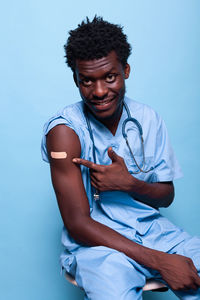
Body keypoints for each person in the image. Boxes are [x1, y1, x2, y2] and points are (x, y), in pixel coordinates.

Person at [41, 16, 200, 299]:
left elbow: (166, 196)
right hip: (99, 248)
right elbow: (78, 223)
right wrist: (159, 260)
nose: (99, 91)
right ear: (76, 79)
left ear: (125, 70)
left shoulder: (148, 119)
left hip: (156, 232)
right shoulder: (65, 133)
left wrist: (130, 184)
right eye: (87, 80)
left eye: (109, 77)